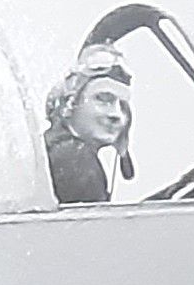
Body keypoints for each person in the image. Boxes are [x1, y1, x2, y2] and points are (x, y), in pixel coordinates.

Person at [44, 43, 135, 203]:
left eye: (123, 106)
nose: (116, 115)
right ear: (70, 104)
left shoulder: (53, 149)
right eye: (103, 99)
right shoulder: (76, 159)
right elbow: (99, 228)